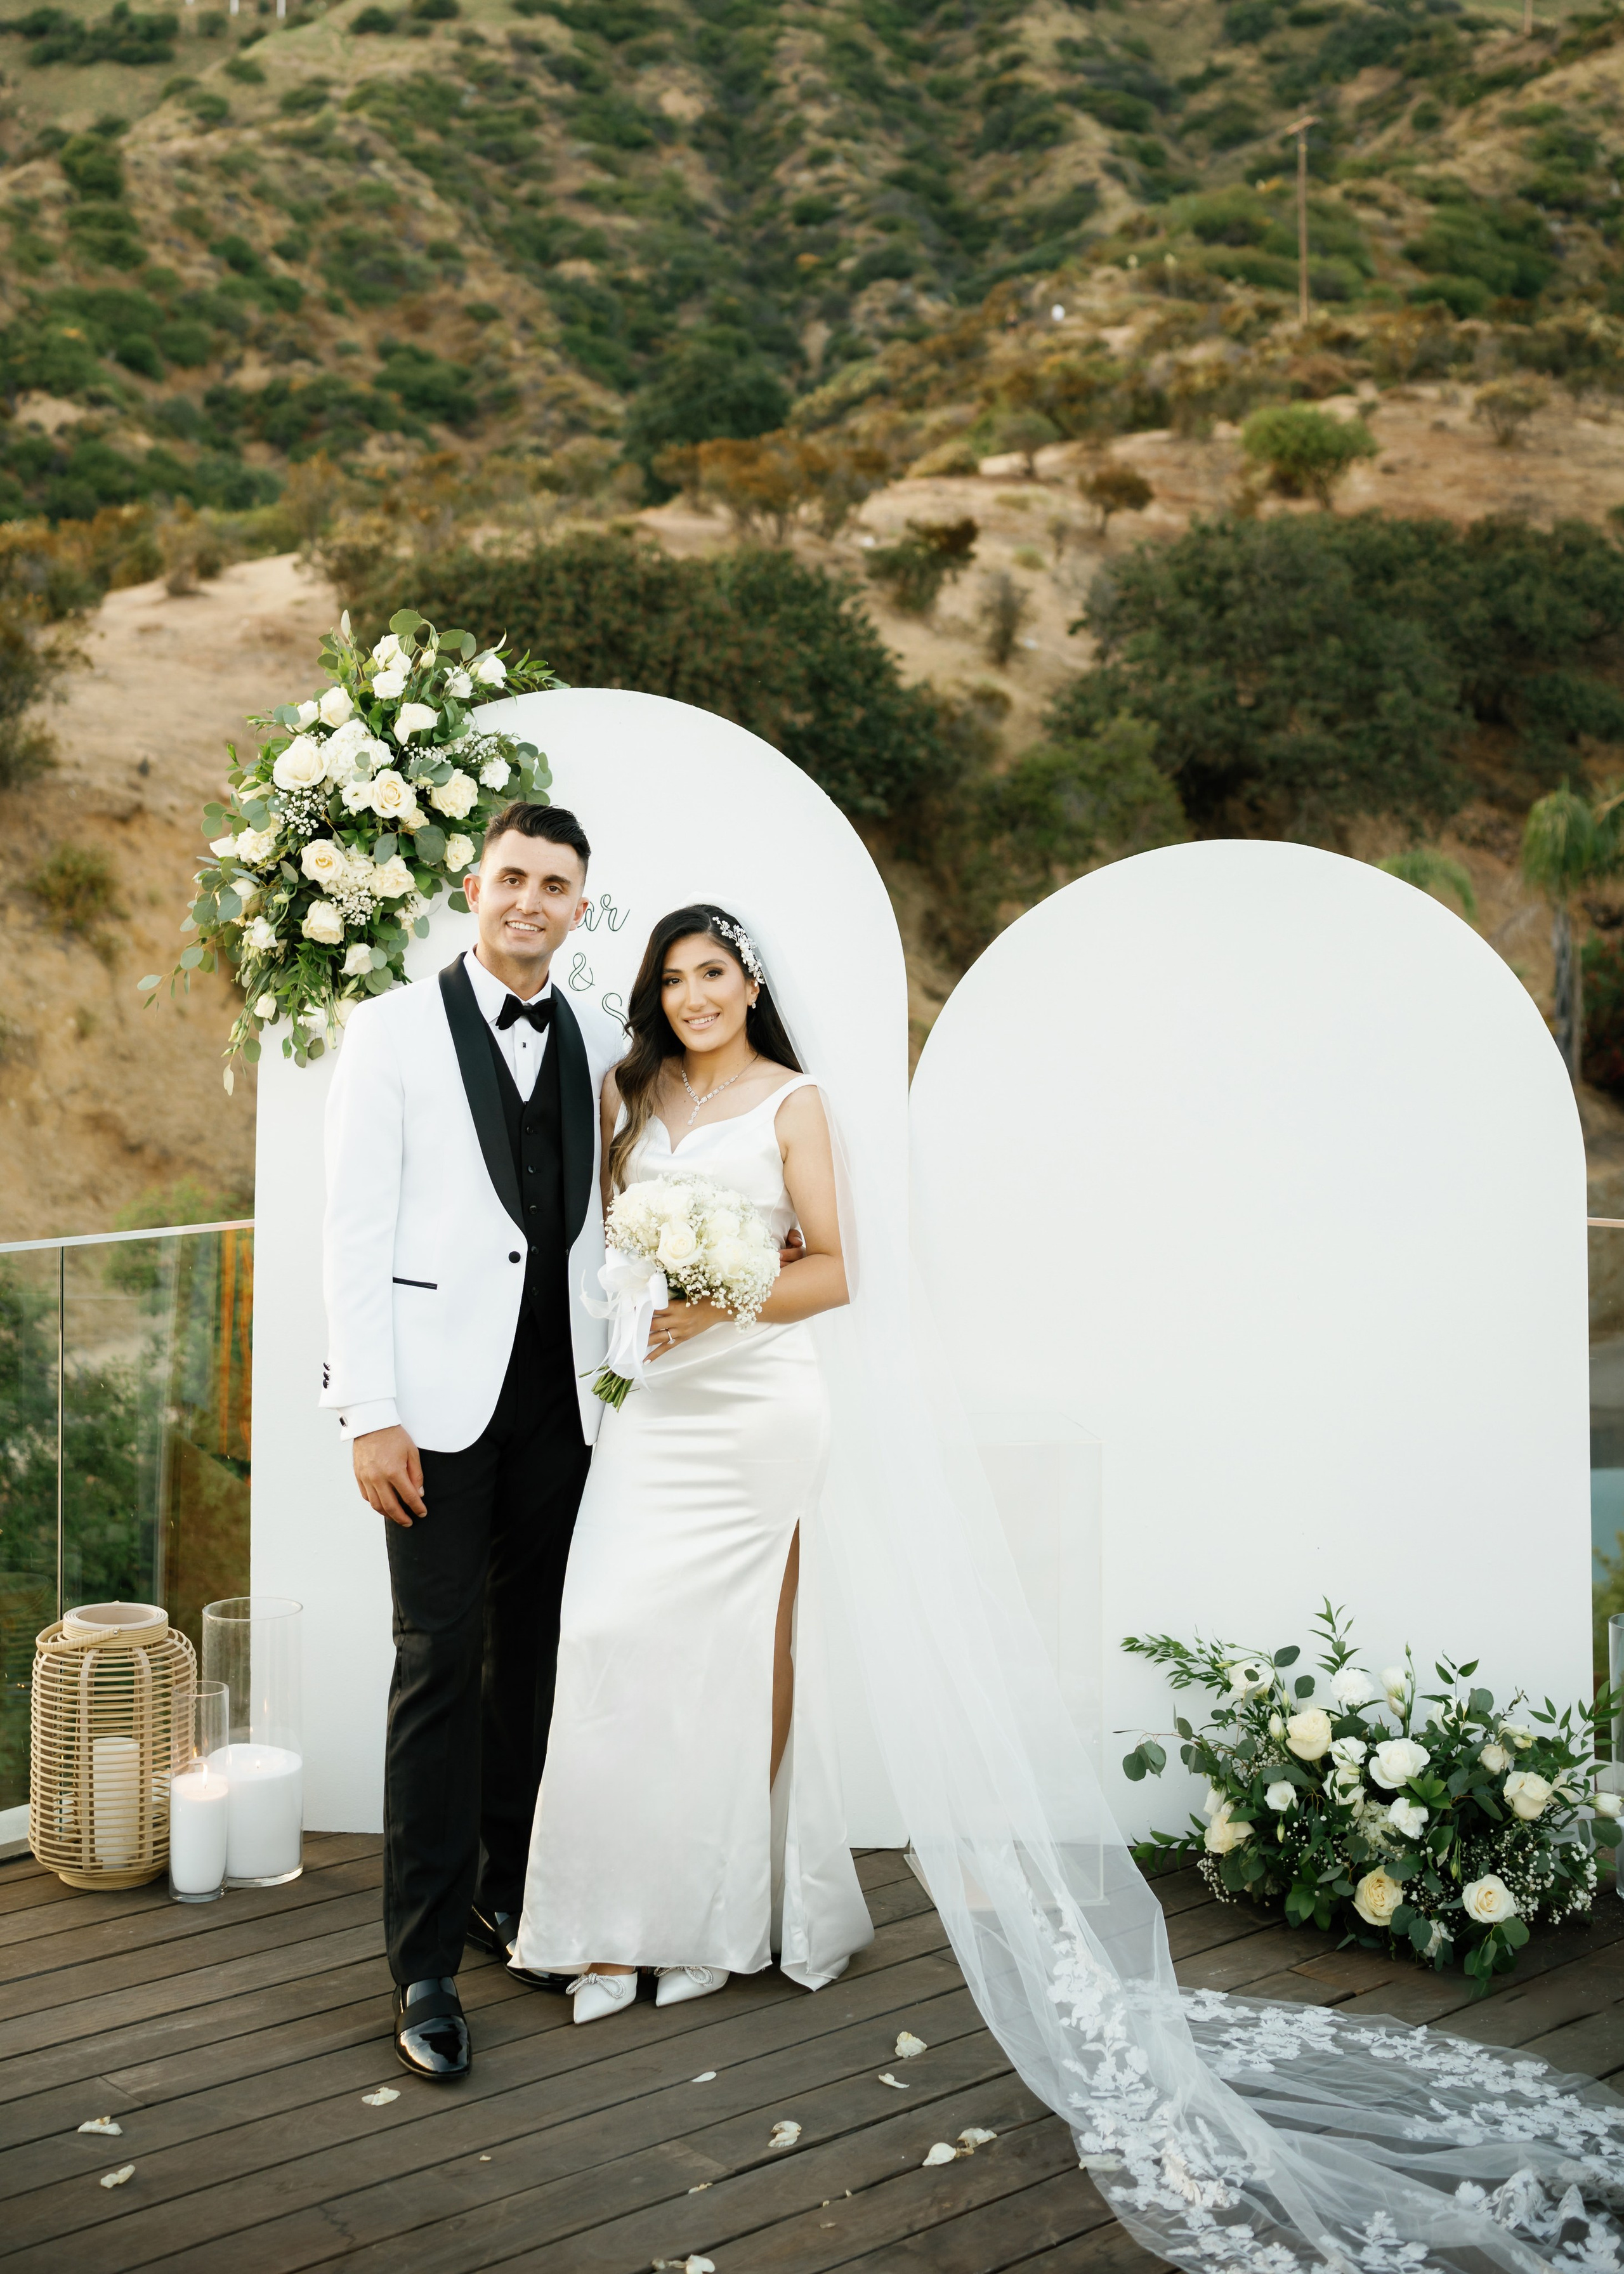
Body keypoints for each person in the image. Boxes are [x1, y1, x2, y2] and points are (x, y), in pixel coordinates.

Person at [510, 905, 874, 2018]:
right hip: (653, 1405)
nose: (692, 996)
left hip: (756, 1406)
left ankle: (709, 1919)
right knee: (609, 1637)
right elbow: (611, 1250)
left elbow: (836, 1273)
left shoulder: (793, 1102)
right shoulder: (629, 1093)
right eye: (672, 978)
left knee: (726, 1659)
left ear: (751, 986)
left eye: (712, 973)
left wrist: (717, 1303)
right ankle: (605, 1929)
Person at [320, 800, 625, 2081]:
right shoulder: (389, 1031)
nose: (530, 902)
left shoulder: (599, 1034)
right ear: (472, 881)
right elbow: (351, 1228)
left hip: (563, 1400)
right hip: (429, 1412)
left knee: (536, 1655)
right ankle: (424, 1963)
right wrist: (366, 1408)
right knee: (438, 1664)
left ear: (578, 905)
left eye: (556, 886)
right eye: (512, 877)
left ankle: (507, 1894)